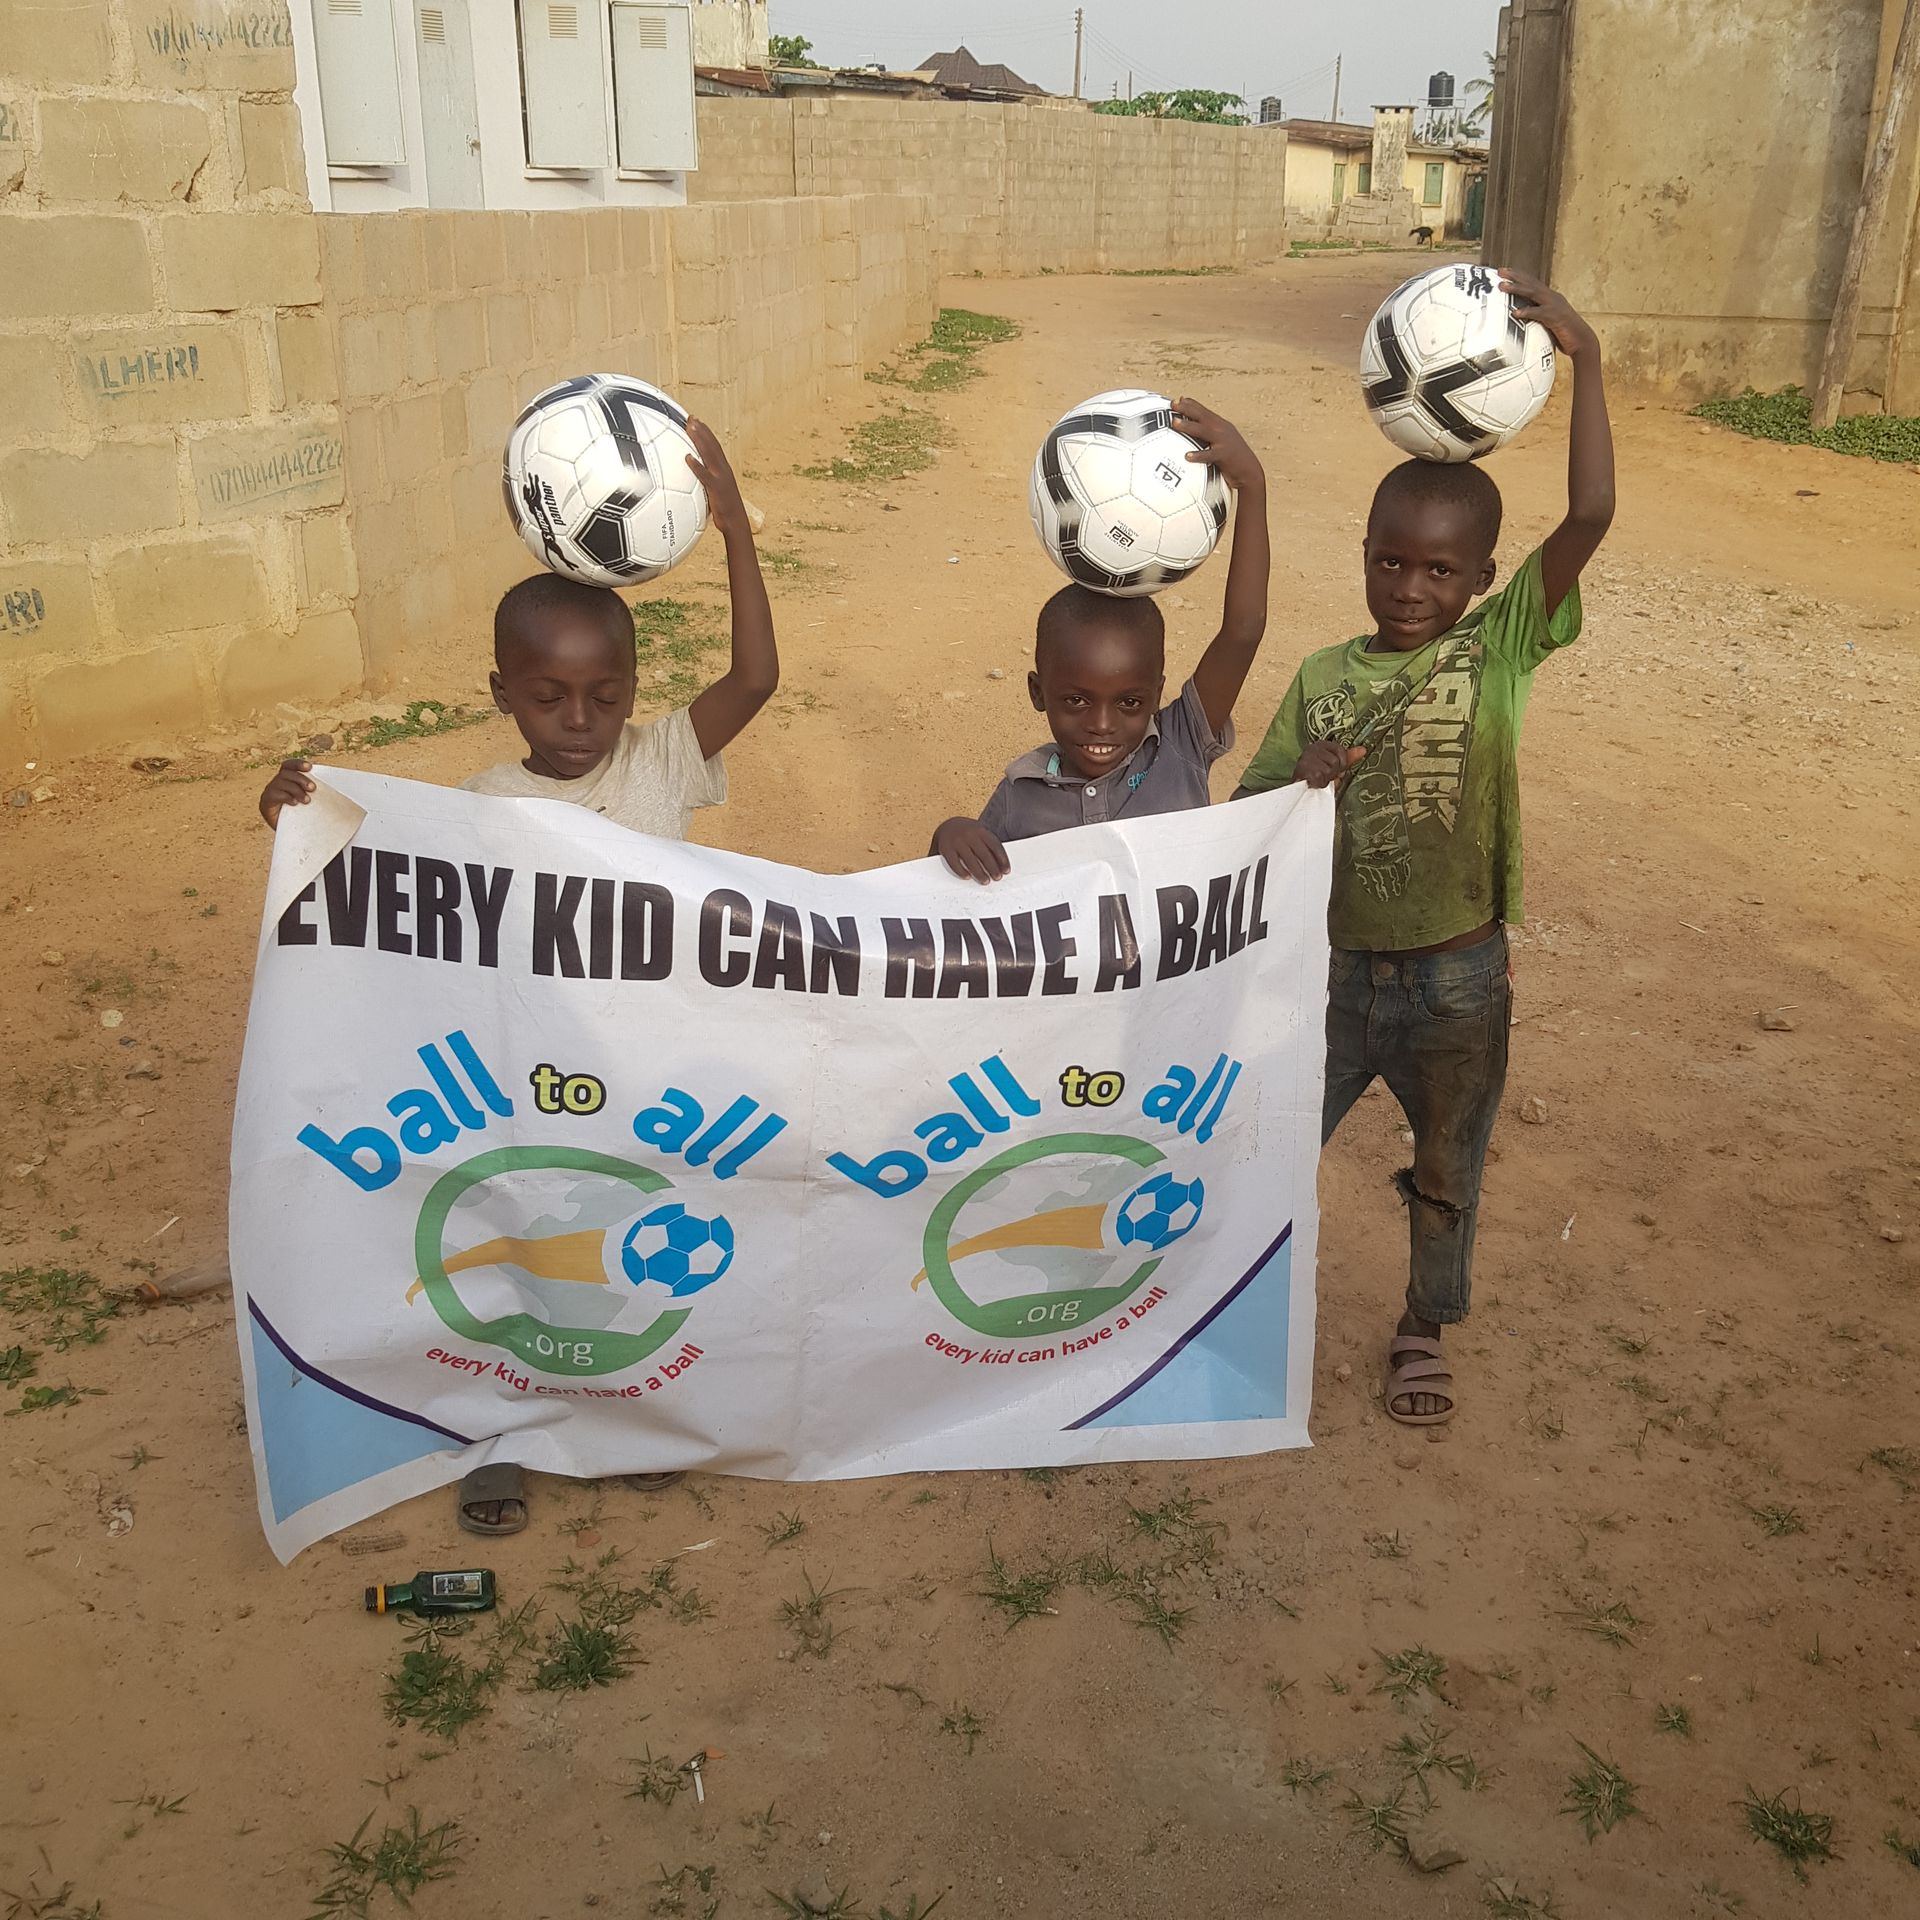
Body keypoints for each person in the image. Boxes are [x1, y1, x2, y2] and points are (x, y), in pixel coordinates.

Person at [259, 418, 778, 1533]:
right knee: (517, 1251)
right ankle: (494, 1432)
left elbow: (757, 676)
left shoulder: (664, 759)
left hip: (646, 1075)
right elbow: (385, 881)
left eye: (605, 694)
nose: (581, 720)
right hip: (524, 1082)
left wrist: (735, 529)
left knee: (630, 1250)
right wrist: (299, 819)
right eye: (549, 696)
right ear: (503, 693)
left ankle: (630, 1415)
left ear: (633, 687)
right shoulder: (485, 805)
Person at [1234, 271, 1615, 1429]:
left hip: (1460, 977)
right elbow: (1250, 811)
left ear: (1485, 582)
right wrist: (1304, 780)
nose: (1410, 588)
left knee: (1448, 1169)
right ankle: (1234, 1305)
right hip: (1336, 976)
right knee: (1266, 1144)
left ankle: (1420, 1326)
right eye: (1390, 562)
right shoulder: (1322, 676)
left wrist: (1589, 363)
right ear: (1364, 554)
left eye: (1441, 571)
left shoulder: (1501, 645)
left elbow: (1589, 518)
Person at [930, 397, 1269, 882]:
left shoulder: (1181, 746)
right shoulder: (1020, 796)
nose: (1102, 725)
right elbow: (956, 900)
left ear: (1157, 693)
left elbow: (1243, 631)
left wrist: (1251, 486)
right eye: (1076, 700)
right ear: (1037, 692)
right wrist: (947, 837)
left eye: (1130, 702)